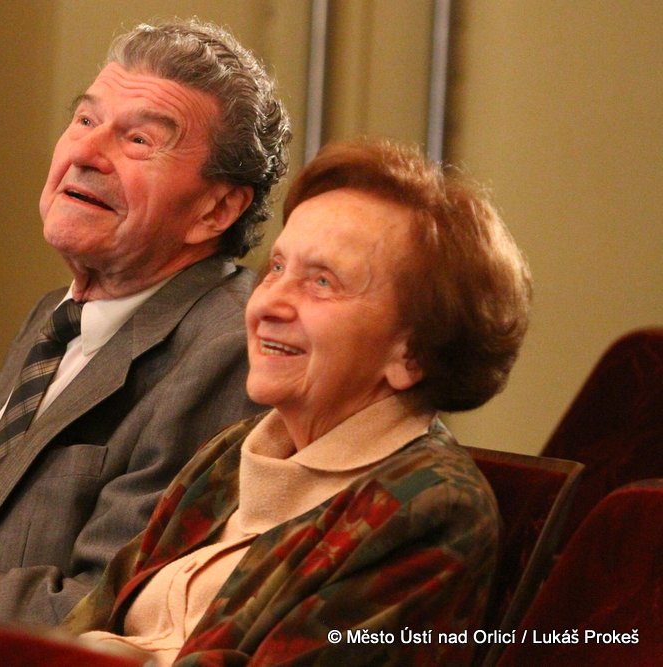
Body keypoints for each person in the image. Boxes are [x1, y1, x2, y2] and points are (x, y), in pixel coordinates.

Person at [0, 18, 291, 664]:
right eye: (86, 120)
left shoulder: (227, 347)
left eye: (138, 139)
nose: (86, 153)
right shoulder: (57, 316)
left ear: (216, 210)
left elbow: (108, 599)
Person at [63, 137, 533, 666]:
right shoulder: (237, 452)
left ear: (414, 351)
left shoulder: (429, 508)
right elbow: (92, 618)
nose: (269, 303)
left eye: (322, 281)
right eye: (277, 268)